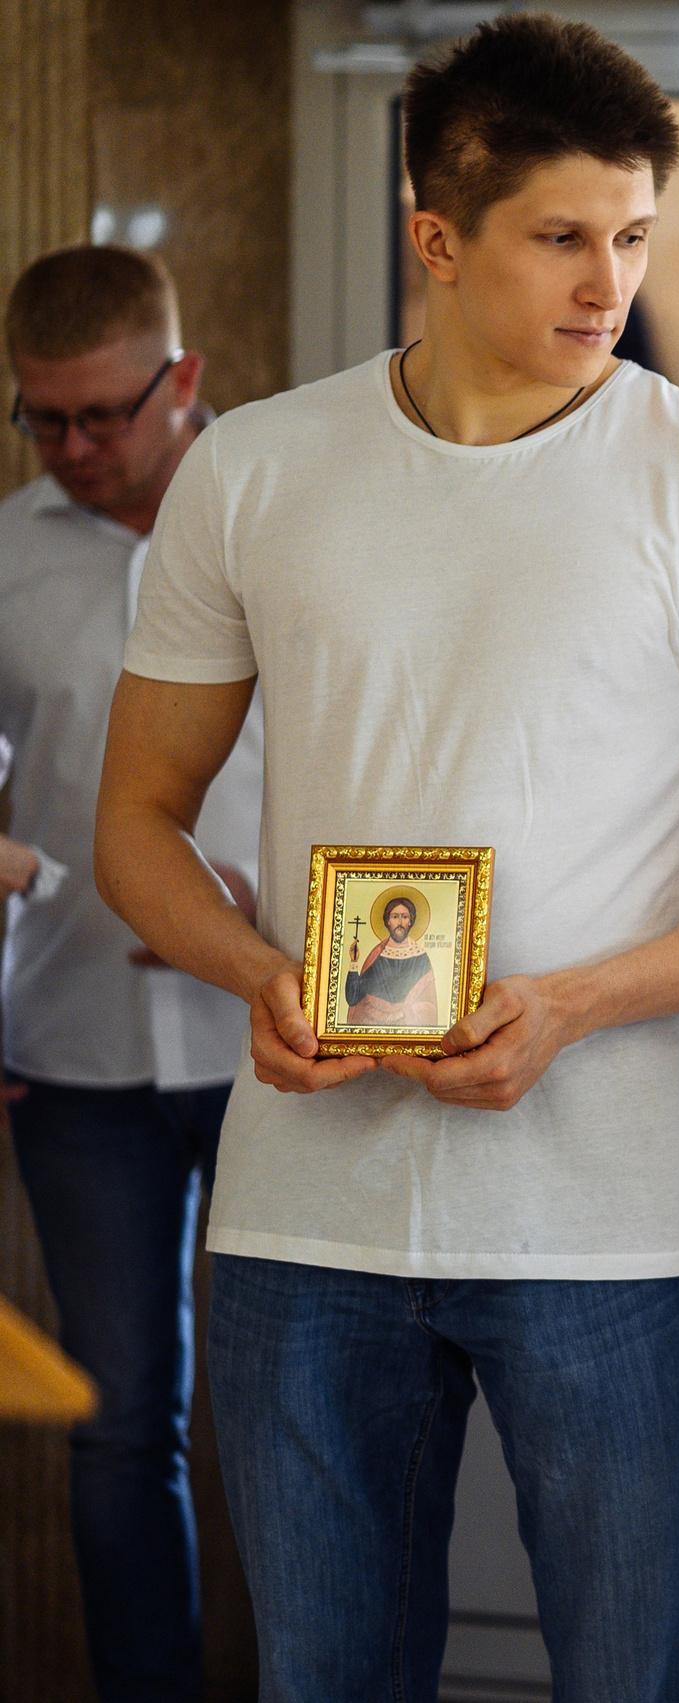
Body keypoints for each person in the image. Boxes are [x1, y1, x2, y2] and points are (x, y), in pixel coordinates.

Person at [91, 19, 679, 1701]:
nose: (608, 280)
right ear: (437, 239)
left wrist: (575, 1001)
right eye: (562, 236)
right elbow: (136, 828)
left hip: (607, 1227)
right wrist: (260, 974)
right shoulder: (253, 471)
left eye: (634, 236)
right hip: (306, 1219)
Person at [0, 243, 261, 1703]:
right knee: (116, 1428)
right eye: (46, 420)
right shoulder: (4, 555)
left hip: (280, 1044)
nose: (79, 449)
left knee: (306, 1417)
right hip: (73, 1048)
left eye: (106, 413)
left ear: (185, 379)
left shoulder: (291, 516)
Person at [343, 894, 436, 1026]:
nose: (399, 923)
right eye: (395, 917)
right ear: (387, 921)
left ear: (410, 921)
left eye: (404, 917)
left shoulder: (421, 958)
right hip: (373, 1029)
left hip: (407, 1030)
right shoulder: (377, 955)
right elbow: (353, 998)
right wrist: (353, 962)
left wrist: (404, 1013)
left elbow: (429, 1004)